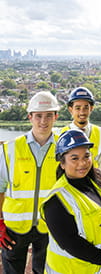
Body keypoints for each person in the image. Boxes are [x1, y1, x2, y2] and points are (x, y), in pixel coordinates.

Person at [40, 129, 101, 273]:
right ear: (62, 163)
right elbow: (70, 242)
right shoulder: (57, 200)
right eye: (74, 158)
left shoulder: (98, 178)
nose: (83, 163)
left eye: (86, 156)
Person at [0, 91, 60, 273]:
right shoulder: (9, 149)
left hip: (50, 225)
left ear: (56, 117)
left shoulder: (63, 149)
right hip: (13, 227)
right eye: (38, 116)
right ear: (30, 117)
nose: (44, 121)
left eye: (49, 115)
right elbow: (0, 188)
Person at [60, 86, 101, 175]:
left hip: (93, 185)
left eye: (86, 108)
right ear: (70, 109)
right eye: (78, 108)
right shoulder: (60, 135)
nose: (82, 112)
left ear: (91, 108)